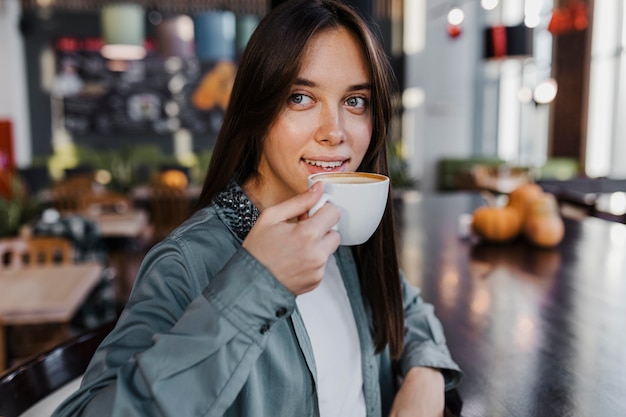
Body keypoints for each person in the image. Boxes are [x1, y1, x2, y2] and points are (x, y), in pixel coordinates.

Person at [53, 1, 462, 416]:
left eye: (355, 101)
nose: (335, 132)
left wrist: (426, 374)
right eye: (301, 97)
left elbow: (408, 310)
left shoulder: (340, 225)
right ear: (257, 109)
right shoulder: (187, 264)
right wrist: (256, 285)